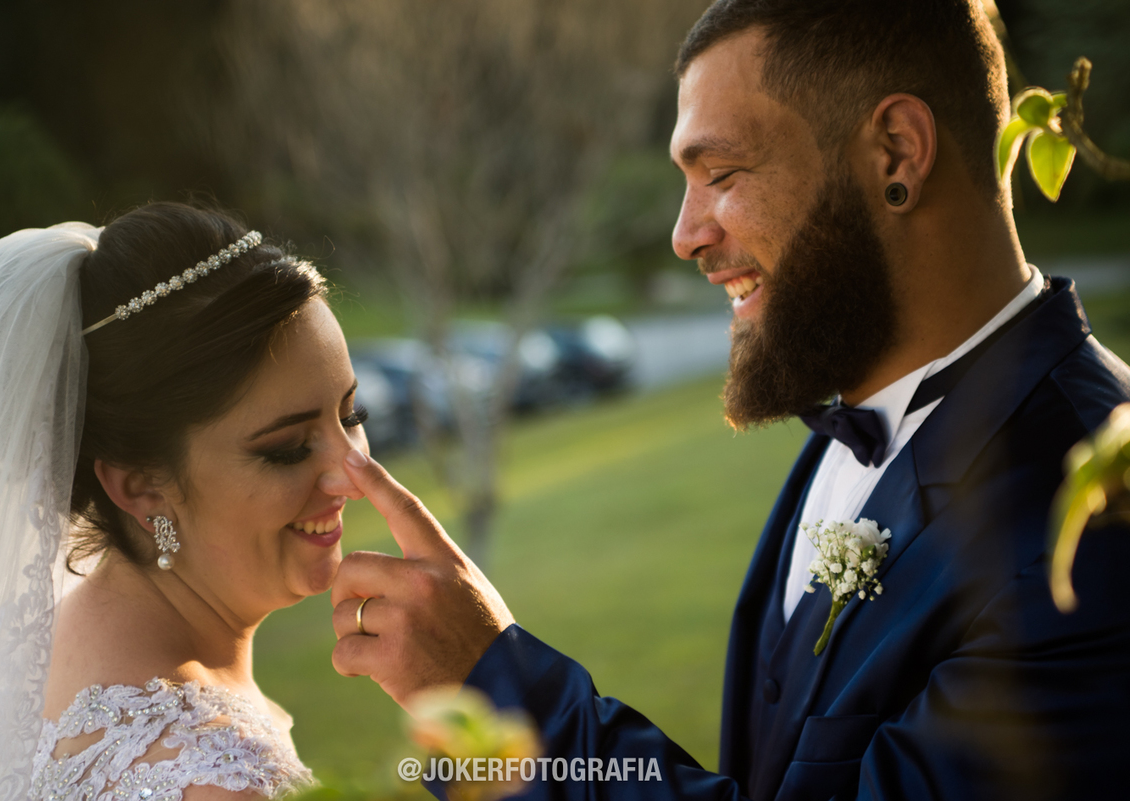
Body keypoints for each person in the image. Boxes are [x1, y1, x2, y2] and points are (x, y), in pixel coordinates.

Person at [327, 1, 1130, 799]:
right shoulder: (851, 420)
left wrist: (495, 694)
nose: (685, 235)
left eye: (721, 174)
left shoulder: (1090, 527)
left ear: (896, 152)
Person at [0, 202, 371, 799]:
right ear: (142, 486)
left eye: (352, 415)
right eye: (288, 449)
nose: (355, 474)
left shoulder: (31, 648)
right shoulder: (218, 780)